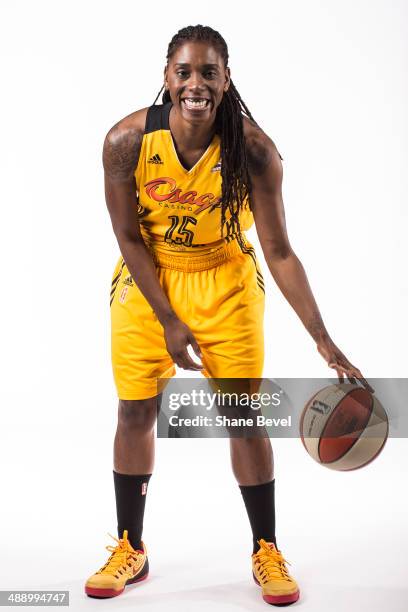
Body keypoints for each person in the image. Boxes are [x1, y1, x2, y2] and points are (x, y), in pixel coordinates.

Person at [85, 24, 372, 606]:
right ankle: (129, 545)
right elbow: (126, 236)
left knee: (243, 417)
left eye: (208, 73)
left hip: (225, 282)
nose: (196, 84)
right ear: (166, 78)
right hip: (149, 280)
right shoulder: (126, 141)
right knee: (135, 410)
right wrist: (168, 318)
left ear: (226, 79)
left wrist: (325, 341)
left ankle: (266, 548)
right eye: (184, 72)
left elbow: (281, 252)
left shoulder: (254, 150)